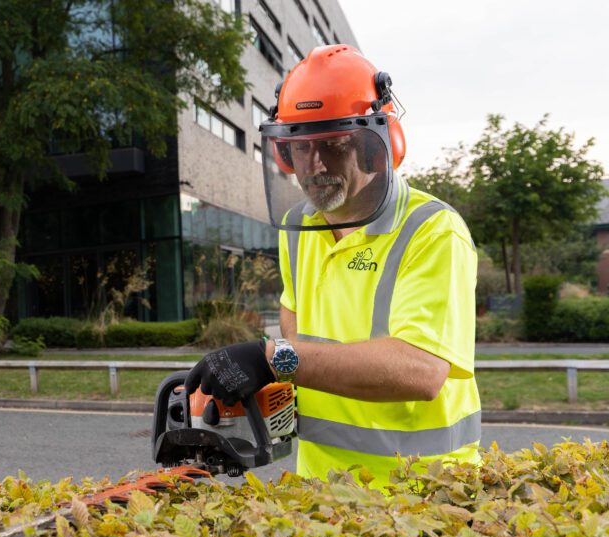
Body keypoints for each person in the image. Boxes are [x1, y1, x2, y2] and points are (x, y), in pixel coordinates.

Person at [185, 45, 481, 487]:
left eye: (333, 145)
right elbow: (296, 324)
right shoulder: (297, 226)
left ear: (377, 147)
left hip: (423, 493)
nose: (314, 166)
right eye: (299, 148)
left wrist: (273, 360)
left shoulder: (432, 230)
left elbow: (421, 370)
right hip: (321, 489)